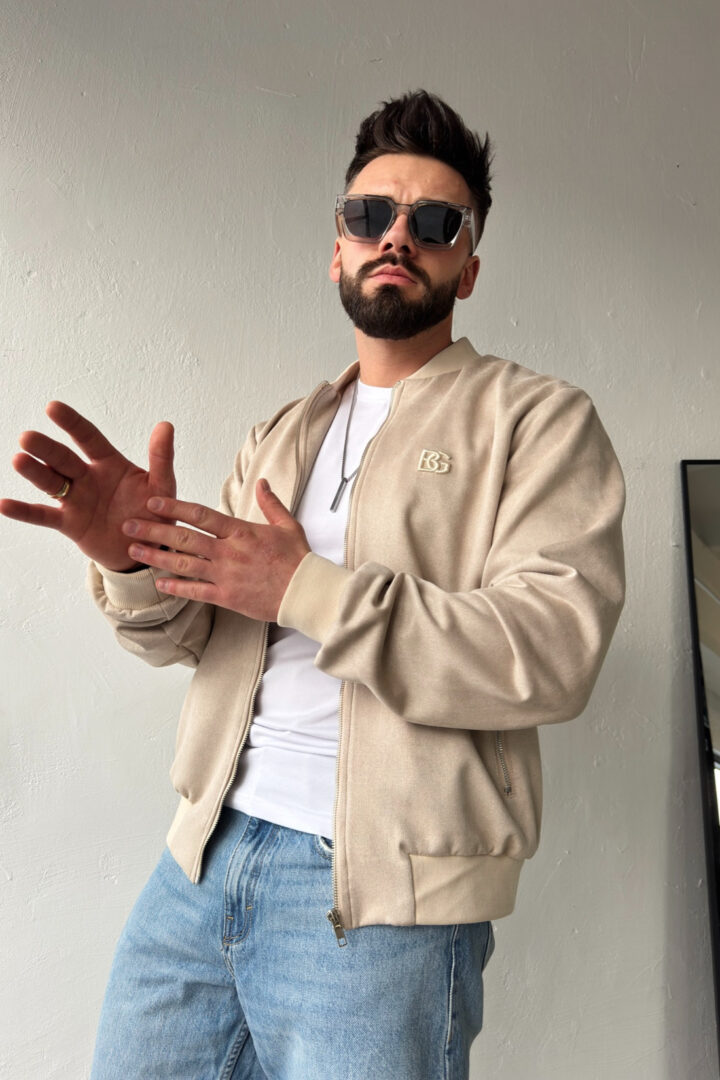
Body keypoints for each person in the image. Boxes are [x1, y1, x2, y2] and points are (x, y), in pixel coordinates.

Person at [1, 90, 625, 1079]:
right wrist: (132, 560)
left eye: (435, 222)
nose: (398, 237)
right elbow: (193, 636)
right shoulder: (281, 434)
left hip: (382, 906)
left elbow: (551, 654)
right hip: (202, 860)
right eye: (371, 215)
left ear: (468, 266)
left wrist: (308, 589)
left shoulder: (537, 422)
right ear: (338, 249)